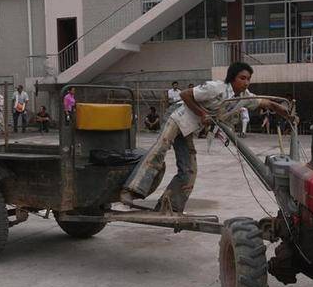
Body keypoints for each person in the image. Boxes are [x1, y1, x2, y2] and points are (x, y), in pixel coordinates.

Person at [121, 62, 292, 212]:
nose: (246, 82)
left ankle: (170, 205)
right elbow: (185, 94)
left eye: (248, 79)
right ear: (232, 78)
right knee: (160, 149)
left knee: (190, 169)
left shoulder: (244, 97)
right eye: (242, 78)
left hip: (189, 128)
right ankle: (131, 190)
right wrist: (202, 114)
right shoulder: (215, 87)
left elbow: (266, 102)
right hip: (178, 117)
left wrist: (284, 112)